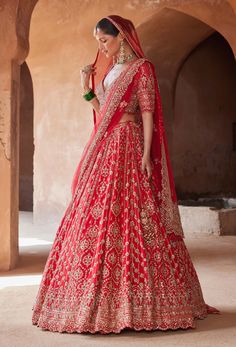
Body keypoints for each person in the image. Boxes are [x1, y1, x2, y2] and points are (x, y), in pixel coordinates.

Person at [32, 15, 220, 334]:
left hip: (130, 145)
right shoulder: (111, 72)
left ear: (121, 37)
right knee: (93, 213)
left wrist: (147, 154)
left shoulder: (142, 68)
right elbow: (106, 110)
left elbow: (147, 111)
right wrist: (86, 89)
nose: (101, 48)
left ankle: (147, 302)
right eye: (98, 43)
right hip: (108, 146)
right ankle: (90, 299)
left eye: (104, 41)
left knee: (138, 214)